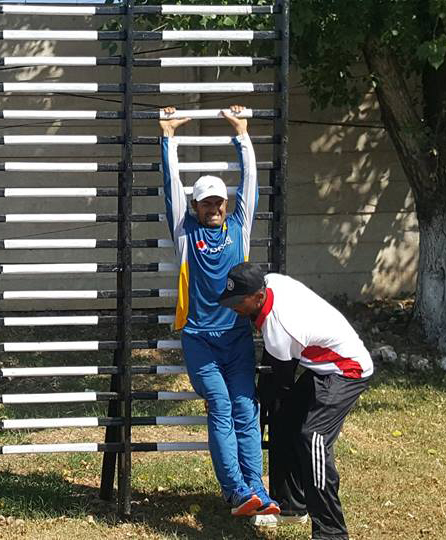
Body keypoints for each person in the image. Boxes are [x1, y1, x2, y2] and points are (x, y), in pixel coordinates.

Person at [159, 105, 277, 516]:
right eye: (205, 203)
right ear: (195, 207)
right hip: (200, 341)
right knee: (221, 406)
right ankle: (234, 492)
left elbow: (252, 183)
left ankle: (257, 491)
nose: (213, 207)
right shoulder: (184, 232)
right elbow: (170, 186)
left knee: (247, 408)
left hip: (237, 339)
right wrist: (167, 137)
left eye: (218, 202)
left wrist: (242, 134)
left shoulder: (238, 228)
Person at [219, 262, 374, 539]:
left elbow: (282, 381)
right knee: (284, 416)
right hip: (321, 365)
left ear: (258, 297)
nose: (233, 308)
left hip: (347, 370)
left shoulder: (280, 329)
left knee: (312, 437)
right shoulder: (271, 282)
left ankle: (331, 532)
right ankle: (291, 506)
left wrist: (263, 404)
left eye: (238, 302)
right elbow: (277, 388)